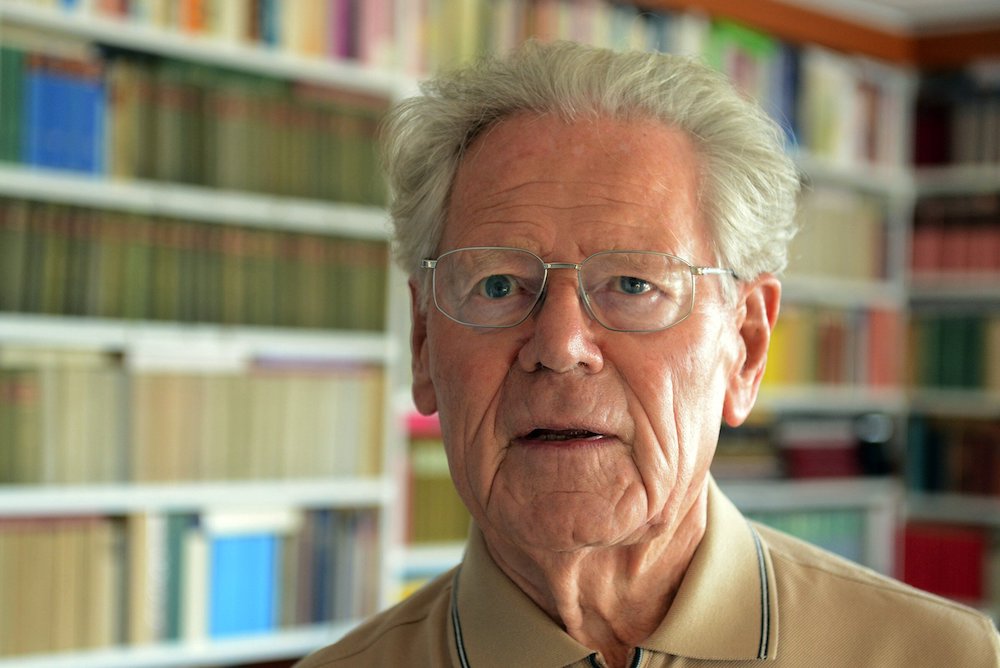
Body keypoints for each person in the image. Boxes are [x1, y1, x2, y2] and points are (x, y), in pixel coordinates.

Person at [296, 40, 1000, 668]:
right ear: (423, 346)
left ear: (746, 347)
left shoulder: (943, 658)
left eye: (634, 284)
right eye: (498, 284)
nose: (561, 346)